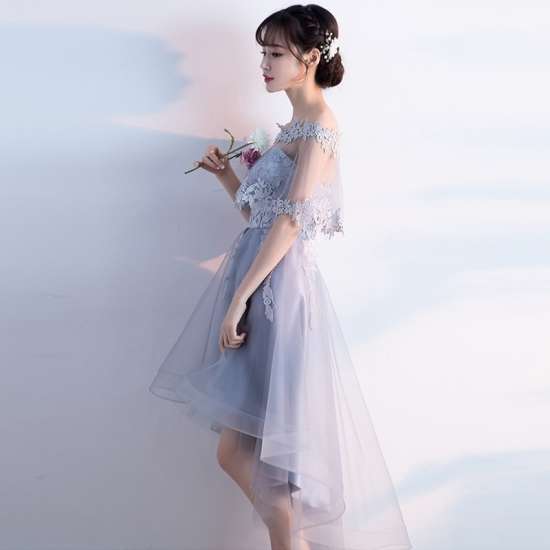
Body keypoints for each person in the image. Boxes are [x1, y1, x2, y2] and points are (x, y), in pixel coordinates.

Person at [149, 5, 412, 550]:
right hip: (258, 281)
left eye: (275, 53)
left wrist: (239, 300)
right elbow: (261, 219)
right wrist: (227, 177)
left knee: (248, 452)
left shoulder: (320, 128)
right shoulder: (293, 128)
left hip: (274, 292)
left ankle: (293, 543)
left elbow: (292, 223)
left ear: (310, 58)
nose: (264, 64)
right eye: (262, 53)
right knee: (241, 451)